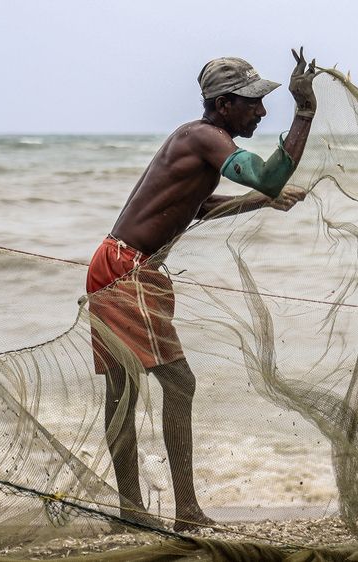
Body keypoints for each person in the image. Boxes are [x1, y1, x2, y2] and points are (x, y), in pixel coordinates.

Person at [85, 48, 317, 532]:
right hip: (127, 269)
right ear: (224, 103)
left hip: (118, 264)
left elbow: (198, 206)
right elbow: (270, 174)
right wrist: (304, 111)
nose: (261, 111)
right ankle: (185, 512)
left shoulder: (198, 139)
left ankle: (130, 511)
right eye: (252, 102)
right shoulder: (205, 137)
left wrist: (261, 202)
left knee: (124, 392)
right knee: (177, 382)